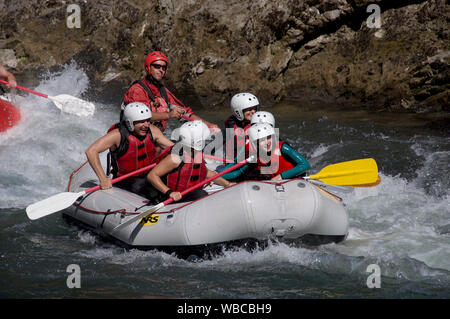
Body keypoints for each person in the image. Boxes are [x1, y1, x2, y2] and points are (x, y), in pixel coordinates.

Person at [85, 102, 174, 199]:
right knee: (143, 188)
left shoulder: (153, 130)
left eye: (148, 121)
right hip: (126, 182)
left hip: (151, 176)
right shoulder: (117, 135)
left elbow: (173, 148)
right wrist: (103, 178)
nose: (146, 125)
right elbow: (91, 151)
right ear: (129, 122)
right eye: (141, 121)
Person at [122, 50, 219, 133]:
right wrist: (168, 115)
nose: (161, 70)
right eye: (157, 66)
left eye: (163, 68)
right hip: (133, 138)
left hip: (154, 139)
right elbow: (139, 116)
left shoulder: (163, 91)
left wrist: (209, 125)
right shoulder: (137, 90)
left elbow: (185, 113)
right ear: (148, 68)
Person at [147, 120, 234, 203]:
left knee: (200, 194)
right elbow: (152, 175)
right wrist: (170, 192)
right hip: (173, 198)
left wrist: (227, 184)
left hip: (189, 192)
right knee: (201, 195)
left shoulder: (195, 152)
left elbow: (206, 172)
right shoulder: (175, 158)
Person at [218, 123, 310, 181]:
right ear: (255, 143)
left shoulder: (283, 148)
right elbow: (238, 173)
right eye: (262, 140)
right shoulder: (255, 156)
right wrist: (216, 177)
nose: (267, 142)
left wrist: (281, 176)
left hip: (295, 180)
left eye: (269, 137)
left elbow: (305, 164)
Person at [222, 92, 259, 160]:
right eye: (249, 109)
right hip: (236, 164)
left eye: (255, 108)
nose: (253, 111)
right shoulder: (229, 129)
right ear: (238, 111)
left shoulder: (261, 124)